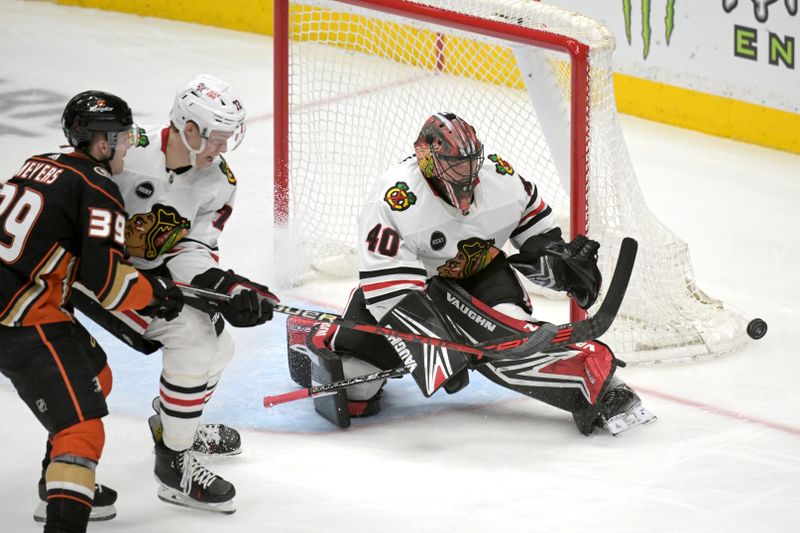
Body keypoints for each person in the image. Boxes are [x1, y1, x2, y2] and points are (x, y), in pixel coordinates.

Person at [286, 112, 656, 435]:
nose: (466, 172)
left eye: (470, 162)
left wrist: (558, 263)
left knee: (511, 342)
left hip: (482, 277)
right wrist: (440, 351)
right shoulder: (395, 199)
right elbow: (390, 292)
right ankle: (331, 335)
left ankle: (602, 384)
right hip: (414, 294)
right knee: (355, 393)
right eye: (453, 163)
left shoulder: (502, 178)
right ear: (427, 159)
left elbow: (537, 233)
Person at [72, 74, 277, 514]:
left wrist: (227, 288)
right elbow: (72, 186)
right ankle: (174, 465)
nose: (220, 148)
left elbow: (192, 248)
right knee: (193, 338)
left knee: (219, 344)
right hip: (91, 271)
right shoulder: (128, 149)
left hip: (144, 275)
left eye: (227, 138)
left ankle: (172, 423)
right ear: (186, 126)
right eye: (215, 137)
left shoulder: (220, 182)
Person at [0, 91, 184, 533]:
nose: (127, 146)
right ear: (101, 143)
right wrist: (155, 293)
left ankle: (57, 480)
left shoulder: (37, 162)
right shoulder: (99, 187)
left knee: (95, 374)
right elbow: (108, 284)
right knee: (82, 430)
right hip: (25, 321)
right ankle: (62, 507)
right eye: (121, 138)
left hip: (18, 301)